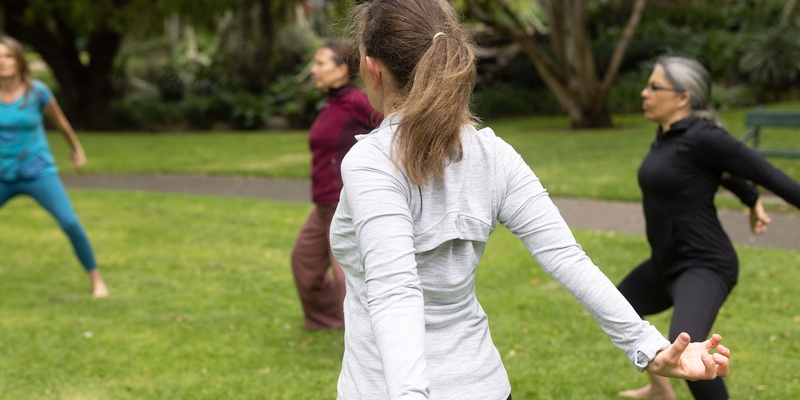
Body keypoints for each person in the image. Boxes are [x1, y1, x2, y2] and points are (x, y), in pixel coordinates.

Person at [329, 2, 730, 399]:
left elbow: (395, 291)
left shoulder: (373, 162)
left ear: (371, 68)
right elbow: (569, 258)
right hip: (484, 386)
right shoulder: (492, 154)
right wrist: (650, 346)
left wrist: (651, 347)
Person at [616, 56, 800, 400]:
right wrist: (749, 198)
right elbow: (714, 173)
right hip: (666, 261)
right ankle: (660, 389)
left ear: (683, 97)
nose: (644, 93)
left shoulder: (704, 137)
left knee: (689, 352)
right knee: (619, 309)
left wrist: (754, 193)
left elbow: (764, 172)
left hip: (704, 263)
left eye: (654, 87)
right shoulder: (667, 136)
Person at [0, 36, 108, 298]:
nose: (2, 62)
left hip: (37, 171)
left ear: (19, 60)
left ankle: (97, 281)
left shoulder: (37, 92)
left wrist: (75, 147)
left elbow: (61, 123)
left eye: (8, 56)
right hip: (2, 174)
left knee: (70, 222)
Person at [290, 39, 382, 329]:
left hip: (346, 203)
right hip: (323, 206)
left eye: (320, 63)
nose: (314, 70)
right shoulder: (331, 105)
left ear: (342, 70)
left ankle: (368, 335)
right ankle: (329, 320)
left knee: (347, 275)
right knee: (304, 262)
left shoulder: (358, 101)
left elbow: (394, 130)